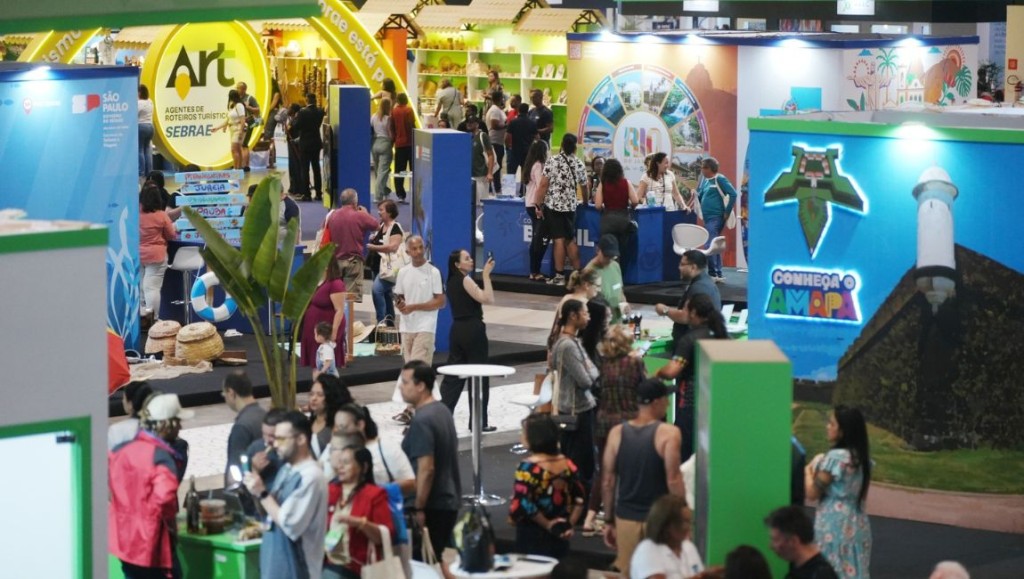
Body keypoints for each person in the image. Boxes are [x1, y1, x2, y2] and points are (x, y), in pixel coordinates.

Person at [602, 379, 685, 575]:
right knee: (659, 573)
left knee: (629, 573)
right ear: (657, 402)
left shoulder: (616, 433)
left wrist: (608, 520)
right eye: (666, 398)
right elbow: (673, 479)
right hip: (659, 522)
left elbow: (608, 482)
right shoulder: (669, 434)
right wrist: (682, 516)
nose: (668, 403)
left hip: (625, 519)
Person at [109, 393, 193, 579]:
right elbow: (164, 499)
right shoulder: (162, 458)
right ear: (165, 424)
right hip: (151, 546)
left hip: (124, 542)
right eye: (177, 422)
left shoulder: (121, 450)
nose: (180, 427)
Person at [244, 411, 329, 579]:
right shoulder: (286, 469)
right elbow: (270, 512)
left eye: (281, 439)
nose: (275, 444)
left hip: (297, 570)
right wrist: (256, 488)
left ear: (301, 439)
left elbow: (290, 524)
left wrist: (262, 492)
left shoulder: (311, 476)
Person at [582, 324, 643, 535]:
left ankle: (590, 519)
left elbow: (597, 388)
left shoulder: (604, 364)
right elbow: (643, 388)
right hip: (629, 424)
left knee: (605, 472)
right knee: (629, 471)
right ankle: (621, 517)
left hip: (604, 422)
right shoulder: (635, 362)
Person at [400, 360, 462, 562]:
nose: (401, 387)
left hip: (433, 505)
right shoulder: (442, 410)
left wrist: (419, 507)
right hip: (448, 500)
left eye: (405, 382)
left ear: (420, 386)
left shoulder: (423, 420)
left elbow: (426, 469)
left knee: (425, 564)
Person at [656, 293, 729, 462]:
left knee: (683, 452)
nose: (684, 312)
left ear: (694, 313)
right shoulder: (722, 335)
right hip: (718, 402)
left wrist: (657, 374)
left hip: (691, 403)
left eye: (686, 309)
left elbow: (672, 370)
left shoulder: (689, 340)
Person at [806, 406, 872, 578]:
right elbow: (862, 495)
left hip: (833, 526)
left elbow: (812, 493)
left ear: (843, 431)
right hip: (858, 524)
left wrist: (808, 471)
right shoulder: (862, 459)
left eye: (832, 424)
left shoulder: (835, 458)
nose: (827, 427)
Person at [509, 414, 586, 559]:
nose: (521, 436)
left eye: (524, 432)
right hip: (560, 533)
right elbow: (580, 499)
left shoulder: (527, 468)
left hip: (531, 533)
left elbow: (524, 503)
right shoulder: (568, 464)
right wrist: (567, 525)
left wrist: (548, 524)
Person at [549, 299, 600, 507]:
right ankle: (578, 507)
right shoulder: (568, 346)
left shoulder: (570, 341)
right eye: (585, 313)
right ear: (573, 315)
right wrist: (590, 370)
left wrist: (590, 370)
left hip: (577, 409)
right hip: (577, 411)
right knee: (581, 463)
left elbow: (592, 371)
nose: (588, 317)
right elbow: (587, 379)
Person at [439, 249, 496, 431]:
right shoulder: (465, 280)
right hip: (473, 330)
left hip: (457, 330)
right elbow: (488, 298)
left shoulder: (450, 282)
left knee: (453, 377)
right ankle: (478, 422)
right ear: (457, 264)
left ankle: (440, 418)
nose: (471, 260)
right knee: (479, 375)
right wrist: (486, 275)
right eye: (467, 258)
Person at [323, 436, 395, 579]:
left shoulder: (374, 494)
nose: (340, 467)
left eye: (346, 463)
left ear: (364, 467)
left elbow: (383, 536)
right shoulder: (331, 490)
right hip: (327, 561)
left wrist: (361, 523)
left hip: (356, 566)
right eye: (339, 462)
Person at [536, 133, 588, 286]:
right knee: (570, 239)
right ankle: (578, 274)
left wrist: (538, 204)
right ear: (575, 147)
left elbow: (543, 185)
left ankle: (559, 276)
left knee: (558, 239)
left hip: (554, 206)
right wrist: (585, 201)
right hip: (570, 207)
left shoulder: (553, 161)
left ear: (562, 145)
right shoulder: (578, 163)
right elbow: (584, 186)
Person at [630, 495, 704, 579]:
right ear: (667, 525)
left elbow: (699, 574)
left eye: (690, 521)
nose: (689, 526)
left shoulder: (689, 547)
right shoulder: (648, 549)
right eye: (684, 522)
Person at [655, 250, 722, 343]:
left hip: (692, 346)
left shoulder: (699, 287)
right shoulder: (706, 282)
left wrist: (665, 310)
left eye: (682, 264)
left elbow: (685, 317)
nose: (679, 268)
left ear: (693, 267)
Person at [326, 188, 379, 299]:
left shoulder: (331, 215)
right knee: (351, 299)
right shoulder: (360, 215)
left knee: (336, 297)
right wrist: (366, 213)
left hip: (335, 261)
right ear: (355, 202)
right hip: (353, 261)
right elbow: (376, 226)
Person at [765, 505, 838, 579]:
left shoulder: (821, 574)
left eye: (775, 540)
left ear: (793, 541)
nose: (770, 546)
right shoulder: (800, 571)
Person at [300, 258, 347, 372]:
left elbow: (339, 310)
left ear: (327, 266)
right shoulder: (323, 282)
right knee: (316, 364)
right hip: (315, 328)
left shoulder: (336, 284)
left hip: (326, 329)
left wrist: (333, 332)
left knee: (324, 363)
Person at [139, 184, 176, 322]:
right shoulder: (162, 216)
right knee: (151, 288)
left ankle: (140, 318)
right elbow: (171, 235)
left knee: (140, 287)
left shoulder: (134, 214)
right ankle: (153, 319)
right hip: (156, 256)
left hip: (137, 255)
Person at [594, 159, 640, 272]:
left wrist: (605, 207)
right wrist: (630, 207)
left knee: (608, 252)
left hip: (607, 221)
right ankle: (620, 276)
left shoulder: (603, 184)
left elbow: (598, 205)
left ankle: (610, 276)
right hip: (623, 221)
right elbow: (635, 201)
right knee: (622, 251)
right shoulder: (626, 182)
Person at [222, 371, 267, 484]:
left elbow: (235, 469)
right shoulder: (265, 415)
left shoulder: (241, 427)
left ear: (231, 393)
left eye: (224, 394)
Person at [696, 157, 736, 282]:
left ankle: (712, 273)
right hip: (708, 218)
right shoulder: (706, 181)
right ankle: (717, 273)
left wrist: (727, 212)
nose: (701, 170)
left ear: (709, 168)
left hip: (716, 217)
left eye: (703, 167)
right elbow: (700, 195)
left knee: (710, 244)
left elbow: (733, 194)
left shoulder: (720, 179)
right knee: (715, 244)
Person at [367, 199, 404, 326]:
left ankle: (381, 321)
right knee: (386, 294)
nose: (379, 212)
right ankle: (389, 323)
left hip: (388, 269)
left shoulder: (395, 228)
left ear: (389, 212)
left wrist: (374, 247)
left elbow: (393, 247)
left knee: (377, 291)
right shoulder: (382, 226)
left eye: (381, 210)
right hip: (377, 267)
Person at [307, 374, 353, 461]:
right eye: (311, 394)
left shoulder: (338, 427)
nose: (313, 398)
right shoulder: (307, 423)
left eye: (320, 395)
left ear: (332, 396)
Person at [523, 139, 550, 281]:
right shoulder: (539, 165)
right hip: (537, 205)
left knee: (536, 238)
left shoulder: (530, 165)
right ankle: (535, 271)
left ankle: (533, 271)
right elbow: (541, 186)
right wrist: (540, 206)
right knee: (539, 240)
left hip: (530, 204)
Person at [588, 235, 631, 324]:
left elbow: (620, 292)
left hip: (618, 324)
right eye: (606, 256)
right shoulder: (589, 272)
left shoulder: (615, 266)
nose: (609, 260)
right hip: (601, 325)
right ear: (597, 250)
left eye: (612, 257)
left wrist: (625, 304)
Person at [290, 93, 326, 201]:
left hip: (305, 144)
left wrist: (294, 119)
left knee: (305, 169)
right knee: (316, 169)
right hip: (316, 143)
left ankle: (306, 194)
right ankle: (319, 193)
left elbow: (296, 126)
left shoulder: (302, 112)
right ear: (315, 100)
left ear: (307, 100)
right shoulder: (320, 111)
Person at [246, 408, 288, 489]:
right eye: (264, 434)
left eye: (272, 436)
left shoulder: (294, 452)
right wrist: (254, 469)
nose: (267, 440)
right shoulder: (256, 447)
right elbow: (244, 480)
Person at [108, 381, 154, 451]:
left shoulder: (116, 430)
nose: (123, 401)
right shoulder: (158, 427)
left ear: (130, 404)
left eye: (124, 398)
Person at [507, 102, 536, 196]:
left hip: (515, 150)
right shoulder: (532, 123)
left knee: (511, 172)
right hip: (527, 151)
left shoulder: (513, 122)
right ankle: (523, 192)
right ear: (527, 111)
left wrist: (508, 146)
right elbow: (537, 137)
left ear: (519, 111)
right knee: (525, 172)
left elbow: (507, 136)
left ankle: (509, 192)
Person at [213, 89, 246, 170]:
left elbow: (243, 119)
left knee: (234, 149)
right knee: (237, 149)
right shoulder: (232, 106)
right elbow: (228, 120)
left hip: (238, 128)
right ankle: (238, 168)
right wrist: (217, 128)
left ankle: (236, 168)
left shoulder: (239, 105)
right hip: (232, 129)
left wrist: (241, 131)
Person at [391, 93, 415, 203]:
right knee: (414, 170)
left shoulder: (394, 111)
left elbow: (392, 127)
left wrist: (394, 140)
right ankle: (415, 192)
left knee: (399, 170)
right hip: (410, 143)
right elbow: (411, 125)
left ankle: (400, 194)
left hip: (399, 144)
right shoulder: (409, 110)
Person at [468, 115, 495, 205]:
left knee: (480, 203)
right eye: (468, 123)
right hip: (470, 175)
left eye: (472, 123)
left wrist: (490, 173)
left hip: (481, 175)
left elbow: (490, 155)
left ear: (477, 124)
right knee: (472, 203)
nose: (469, 125)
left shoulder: (482, 136)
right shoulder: (468, 137)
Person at [371, 97, 394, 201]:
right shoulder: (388, 118)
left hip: (375, 144)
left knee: (377, 171)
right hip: (385, 144)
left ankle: (384, 190)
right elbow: (390, 133)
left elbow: (371, 130)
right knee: (383, 172)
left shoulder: (373, 117)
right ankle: (378, 196)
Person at [236, 82, 261, 171]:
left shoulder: (250, 98)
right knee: (240, 145)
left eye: (239, 88)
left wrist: (249, 107)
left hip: (248, 123)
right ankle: (243, 165)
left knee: (244, 144)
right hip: (239, 124)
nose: (237, 90)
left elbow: (258, 110)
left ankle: (244, 165)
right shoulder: (237, 99)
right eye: (236, 88)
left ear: (244, 89)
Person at [486, 90, 507, 194]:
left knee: (497, 165)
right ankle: (495, 188)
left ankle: (494, 187)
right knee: (496, 166)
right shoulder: (494, 111)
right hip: (494, 141)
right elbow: (494, 125)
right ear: (500, 99)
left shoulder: (498, 109)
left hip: (499, 141)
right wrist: (507, 125)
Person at [262, 76, 284, 169]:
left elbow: (272, 106)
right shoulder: (268, 93)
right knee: (267, 135)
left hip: (271, 114)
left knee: (268, 135)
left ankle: (270, 159)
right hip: (267, 114)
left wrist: (265, 111)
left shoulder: (276, 94)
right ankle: (269, 159)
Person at [284, 103, 303, 194]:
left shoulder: (297, 119)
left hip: (295, 146)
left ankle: (298, 188)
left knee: (296, 167)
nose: (288, 109)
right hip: (291, 146)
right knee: (292, 167)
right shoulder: (292, 119)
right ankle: (293, 187)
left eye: (289, 108)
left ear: (293, 110)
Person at [138, 84, 154, 179]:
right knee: (147, 150)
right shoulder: (150, 102)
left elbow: (134, 114)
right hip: (150, 127)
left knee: (140, 150)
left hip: (141, 126)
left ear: (140, 92)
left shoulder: (139, 103)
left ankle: (141, 172)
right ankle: (149, 172)